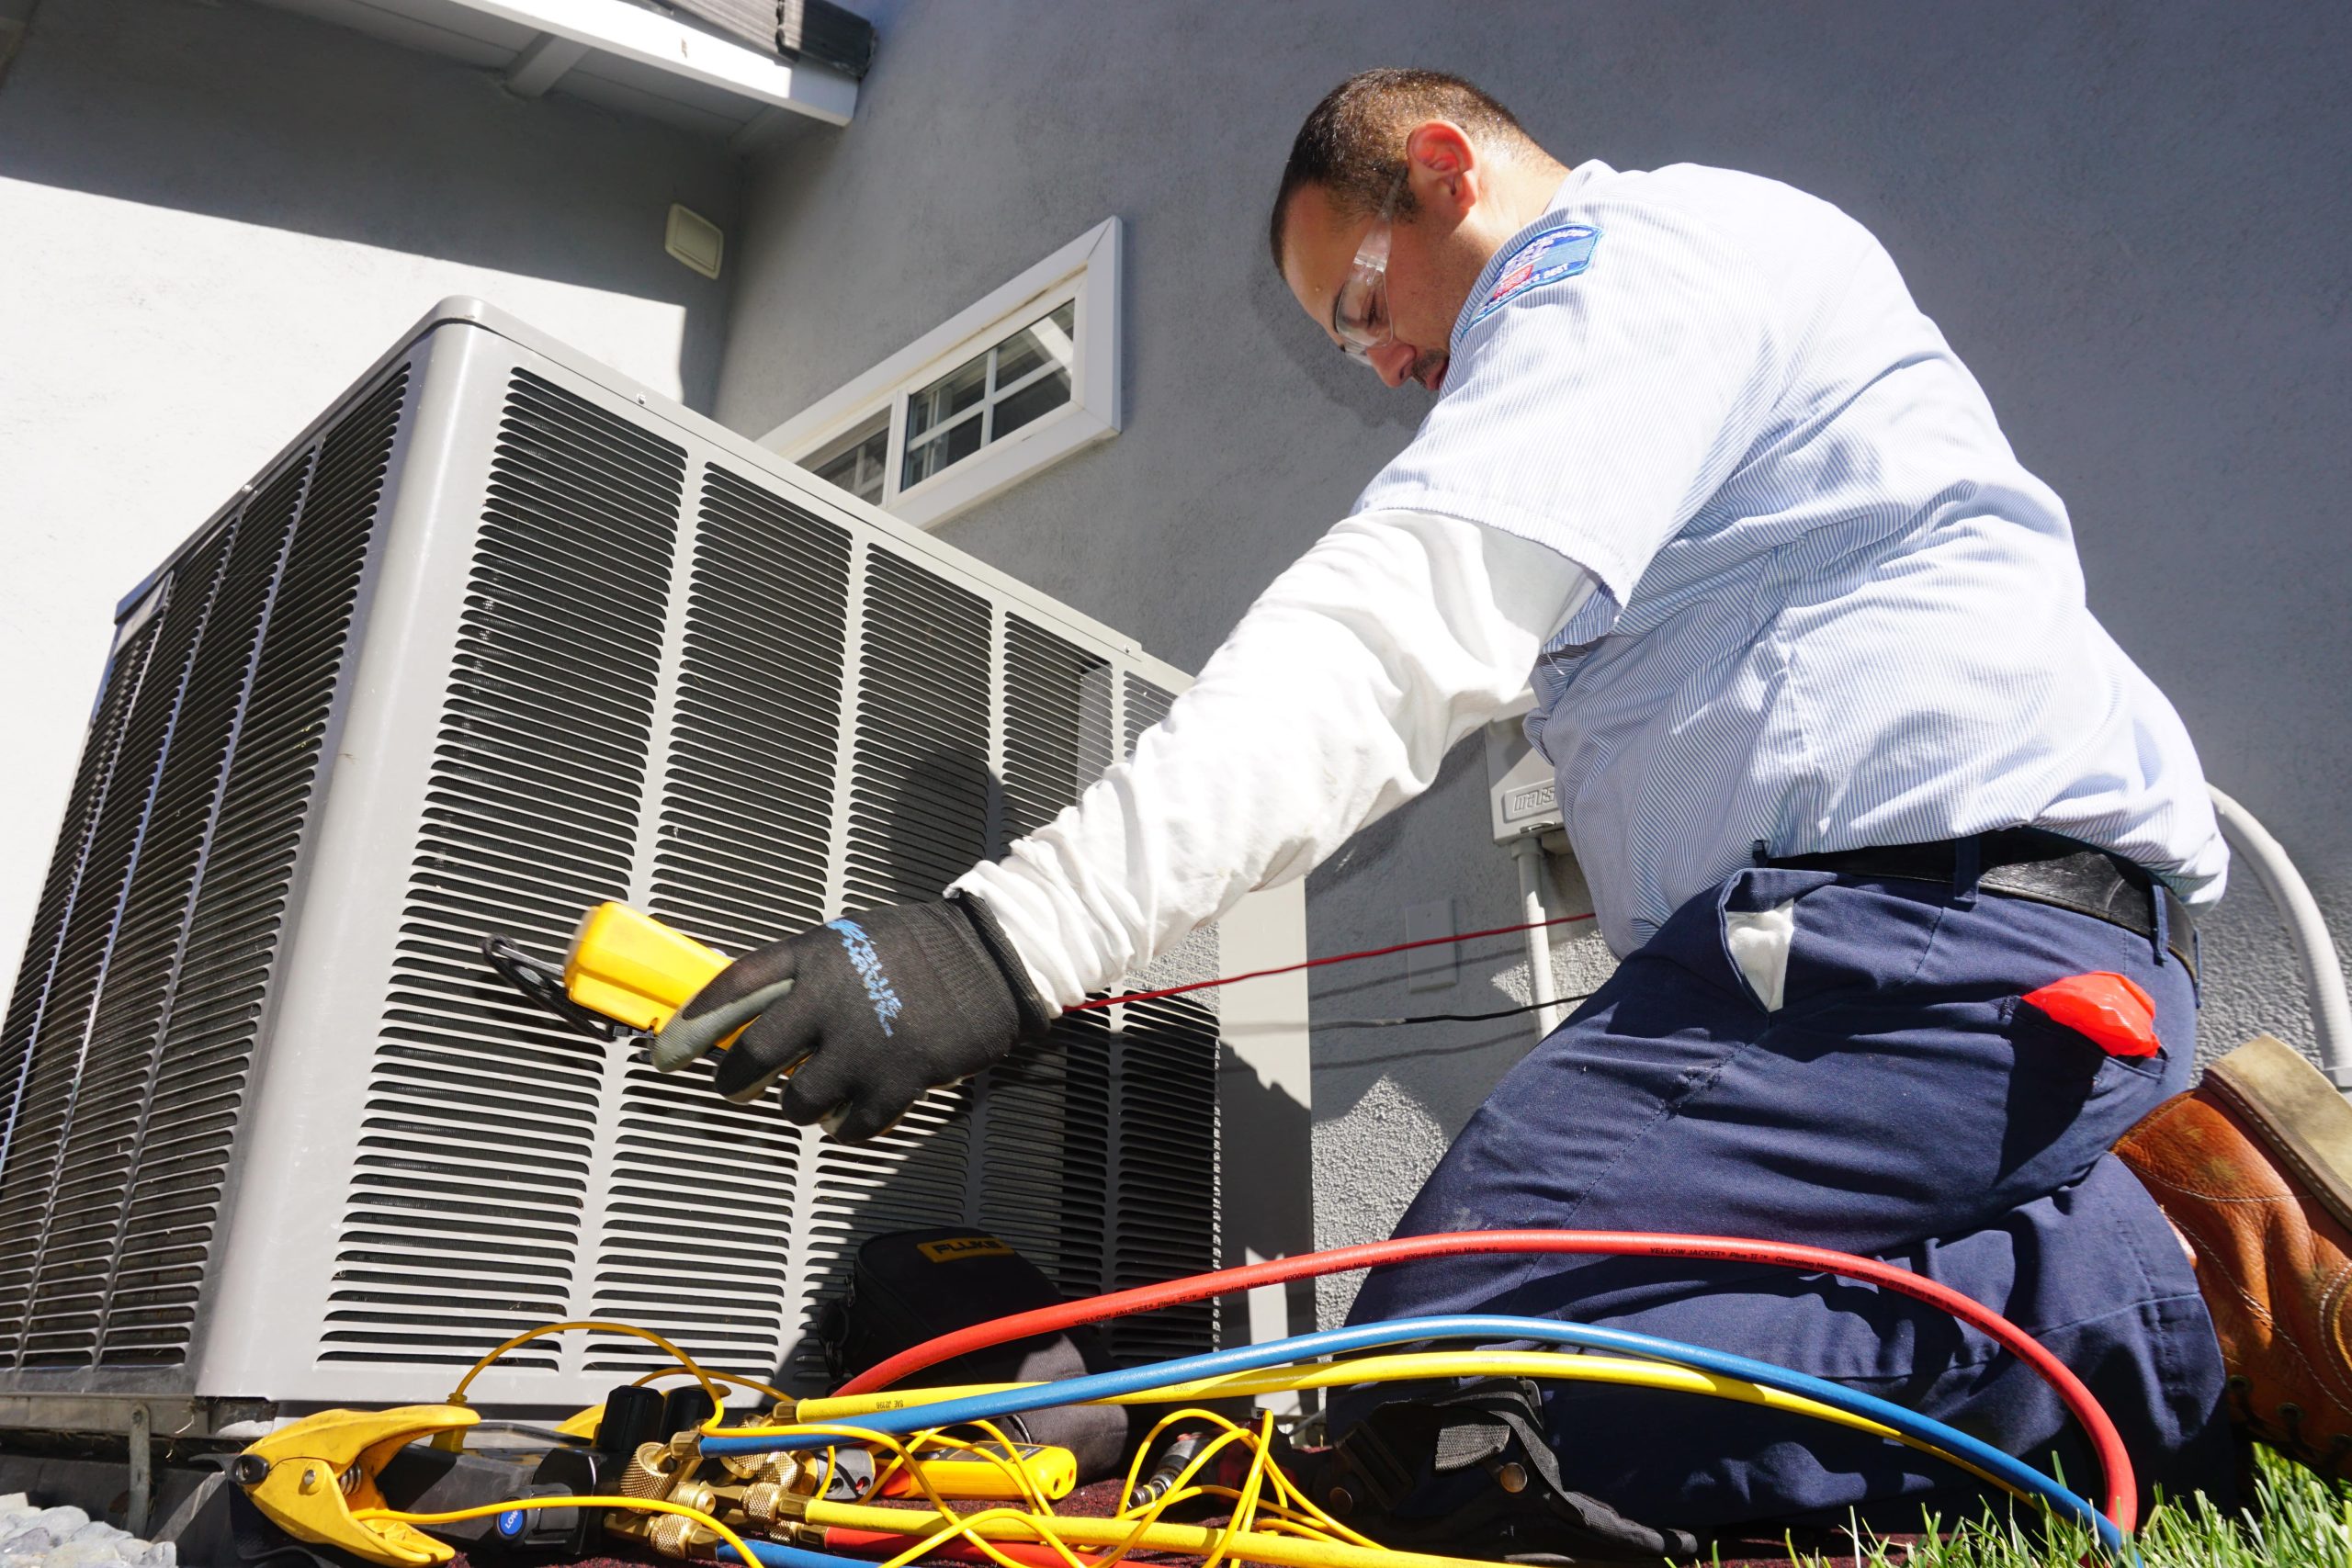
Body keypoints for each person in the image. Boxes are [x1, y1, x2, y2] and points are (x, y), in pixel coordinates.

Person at [652, 68, 2352, 1535]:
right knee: (1471, 1404)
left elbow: (1399, 632)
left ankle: (2174, 1292)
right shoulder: (1702, 337)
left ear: (1447, 172)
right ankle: (2131, 1269)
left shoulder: (1624, 265)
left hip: (1908, 968)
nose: (1379, 362)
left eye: (1361, 307)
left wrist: (1000, 942)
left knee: (1447, 1400)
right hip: (1974, 997)